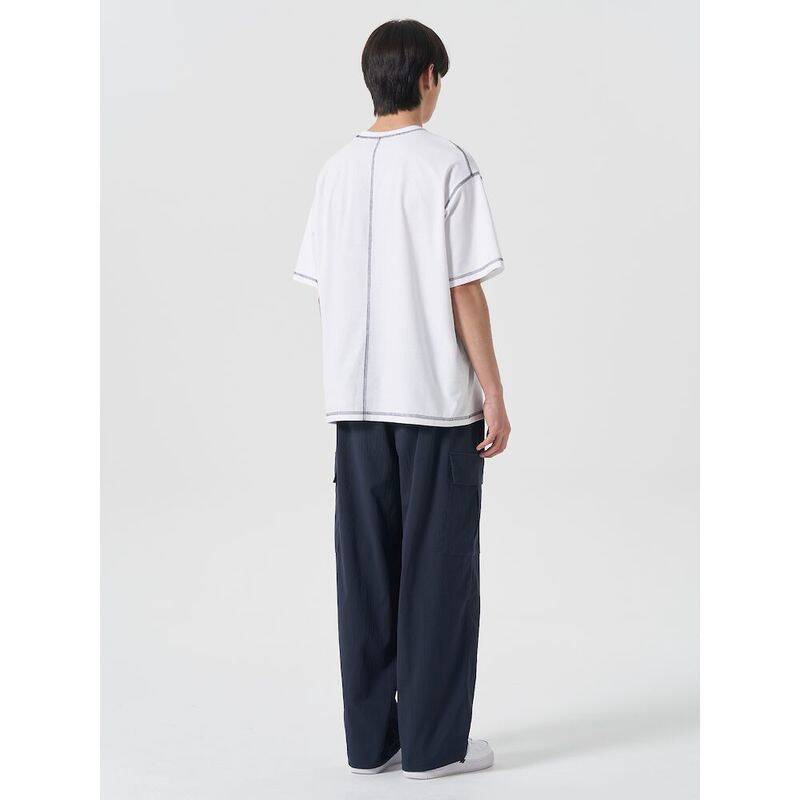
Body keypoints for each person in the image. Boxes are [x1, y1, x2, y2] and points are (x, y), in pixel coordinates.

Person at [293, 19, 510, 780]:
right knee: (437, 574)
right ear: (426, 78)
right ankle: (433, 747)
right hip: (435, 404)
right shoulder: (448, 164)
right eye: (438, 78)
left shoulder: (334, 172)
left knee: (364, 574)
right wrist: (493, 391)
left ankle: (371, 744)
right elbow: (464, 289)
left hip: (354, 407)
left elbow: (323, 289)